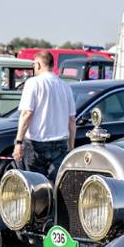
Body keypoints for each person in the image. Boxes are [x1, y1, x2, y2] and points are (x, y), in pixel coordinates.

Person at [12, 51, 76, 180]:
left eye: (34, 65)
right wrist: (71, 146)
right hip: (61, 143)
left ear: (38, 65)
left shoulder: (33, 83)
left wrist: (18, 142)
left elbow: (27, 114)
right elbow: (72, 120)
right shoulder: (65, 86)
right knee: (56, 183)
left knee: (35, 183)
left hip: (37, 143)